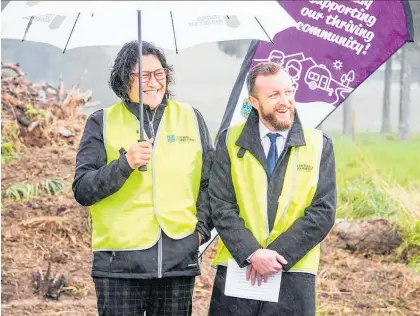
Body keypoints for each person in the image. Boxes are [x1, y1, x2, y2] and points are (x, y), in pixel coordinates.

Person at [72, 40, 214, 316]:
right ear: (124, 79)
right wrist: (125, 164)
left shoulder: (190, 118)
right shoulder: (101, 121)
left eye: (159, 73)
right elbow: (83, 189)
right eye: (143, 75)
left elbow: (211, 182)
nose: (154, 82)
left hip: (177, 262)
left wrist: (199, 233)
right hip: (119, 265)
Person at [208, 62, 336, 316]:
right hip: (239, 269)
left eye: (288, 92)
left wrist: (275, 255)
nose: (285, 101)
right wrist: (252, 253)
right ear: (254, 102)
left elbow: (323, 211)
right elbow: (220, 205)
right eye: (274, 95)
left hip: (292, 271)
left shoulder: (320, 144)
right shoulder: (228, 141)